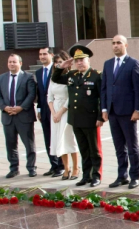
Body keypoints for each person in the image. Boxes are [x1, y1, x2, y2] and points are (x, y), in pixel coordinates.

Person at [52, 45, 104, 187]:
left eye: (82, 59)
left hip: (91, 119)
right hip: (76, 119)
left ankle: (96, 175)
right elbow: (56, 78)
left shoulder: (96, 75)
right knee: (83, 149)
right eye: (77, 60)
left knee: (94, 150)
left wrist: (100, 117)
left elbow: (102, 98)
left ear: (88, 60)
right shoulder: (72, 75)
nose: (79, 63)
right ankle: (86, 175)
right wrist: (62, 66)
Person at [101, 35, 139, 189]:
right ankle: (122, 175)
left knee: (132, 146)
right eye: (113, 43)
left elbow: (138, 89)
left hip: (128, 112)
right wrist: (104, 109)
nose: (115, 45)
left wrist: (137, 109)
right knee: (119, 146)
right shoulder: (107, 64)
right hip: (112, 111)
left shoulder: (133, 63)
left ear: (126, 45)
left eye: (119, 43)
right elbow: (104, 88)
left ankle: (135, 176)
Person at [0, 54, 38, 178]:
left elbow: (31, 95)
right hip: (8, 116)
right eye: (9, 62)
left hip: (23, 116)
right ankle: (14, 168)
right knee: (11, 144)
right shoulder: (1, 78)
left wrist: (21, 108)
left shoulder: (28, 77)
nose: (11, 64)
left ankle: (31, 168)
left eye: (14, 62)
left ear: (20, 63)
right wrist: (4, 107)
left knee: (29, 144)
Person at [48, 50, 80, 180]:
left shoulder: (71, 76)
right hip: (55, 112)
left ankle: (76, 168)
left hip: (66, 110)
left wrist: (61, 112)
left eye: (61, 62)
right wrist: (54, 113)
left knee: (69, 139)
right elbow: (49, 97)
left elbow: (71, 96)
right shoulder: (54, 78)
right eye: (56, 63)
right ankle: (66, 168)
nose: (58, 64)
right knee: (58, 140)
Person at [36, 47, 63, 177]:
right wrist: (39, 109)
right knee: (48, 139)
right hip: (45, 112)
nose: (42, 56)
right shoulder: (38, 72)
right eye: (40, 54)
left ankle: (62, 166)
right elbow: (40, 94)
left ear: (51, 55)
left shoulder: (58, 69)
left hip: (57, 110)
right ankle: (53, 165)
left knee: (58, 138)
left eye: (45, 54)